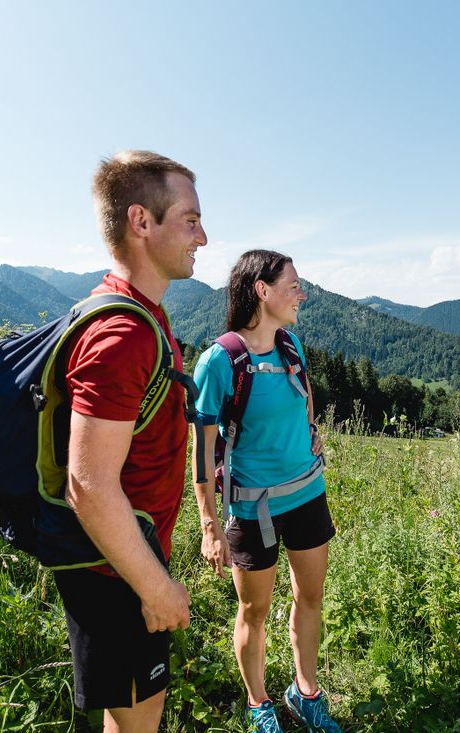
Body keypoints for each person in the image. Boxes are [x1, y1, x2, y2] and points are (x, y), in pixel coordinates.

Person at [56, 150, 207, 733]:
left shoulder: (140, 312)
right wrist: (156, 588)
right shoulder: (122, 334)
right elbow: (88, 485)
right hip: (116, 571)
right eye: (190, 220)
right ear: (141, 221)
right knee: (140, 721)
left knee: (132, 716)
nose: (202, 236)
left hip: (122, 559)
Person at [192, 250, 342, 733]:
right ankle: (259, 705)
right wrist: (209, 525)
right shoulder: (219, 362)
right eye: (293, 285)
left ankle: (305, 693)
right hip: (251, 507)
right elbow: (202, 451)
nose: (302, 294)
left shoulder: (290, 345)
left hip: (307, 493)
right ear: (262, 290)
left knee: (310, 597)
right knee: (254, 611)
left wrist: (311, 429)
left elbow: (305, 394)